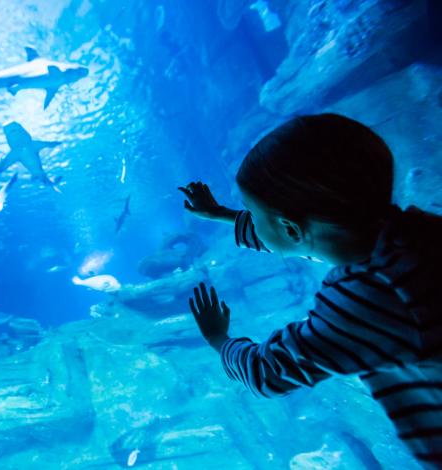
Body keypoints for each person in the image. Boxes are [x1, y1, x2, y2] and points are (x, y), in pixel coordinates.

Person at [179, 113, 442, 468]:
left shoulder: (369, 296)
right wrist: (222, 215)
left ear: (288, 227)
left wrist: (218, 339)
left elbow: (267, 372)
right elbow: (302, 235)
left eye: (253, 213)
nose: (250, 219)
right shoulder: (415, 233)